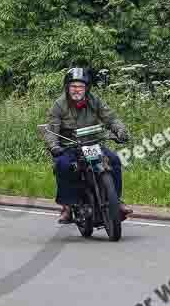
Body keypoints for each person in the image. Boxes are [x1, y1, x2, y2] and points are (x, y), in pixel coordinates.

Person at [43, 66, 133, 224]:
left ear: (87, 87)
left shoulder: (94, 100)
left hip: (92, 144)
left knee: (114, 160)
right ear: (67, 87)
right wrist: (54, 146)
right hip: (69, 146)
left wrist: (120, 131)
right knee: (63, 165)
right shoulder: (59, 105)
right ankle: (68, 206)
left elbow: (111, 118)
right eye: (73, 86)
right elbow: (51, 130)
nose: (77, 90)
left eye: (80, 86)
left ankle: (116, 202)